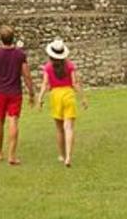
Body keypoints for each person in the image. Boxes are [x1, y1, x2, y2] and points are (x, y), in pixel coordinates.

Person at [0, 25, 36, 165]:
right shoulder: (19, 54)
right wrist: (31, 92)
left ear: (1, 39)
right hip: (14, 92)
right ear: (13, 38)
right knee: (13, 121)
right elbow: (27, 75)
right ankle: (12, 155)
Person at [35, 38, 88, 167]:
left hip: (55, 96)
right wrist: (83, 98)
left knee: (59, 128)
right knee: (69, 127)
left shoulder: (48, 67)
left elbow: (45, 84)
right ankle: (69, 156)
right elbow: (75, 83)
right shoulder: (70, 66)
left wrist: (40, 98)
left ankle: (62, 154)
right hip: (68, 95)